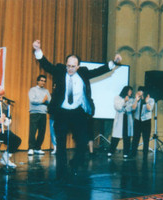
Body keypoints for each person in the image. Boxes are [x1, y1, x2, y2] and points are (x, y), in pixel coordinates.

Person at [32, 39, 122, 179]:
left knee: (82, 142)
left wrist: (114, 63)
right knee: (61, 144)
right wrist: (38, 50)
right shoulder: (60, 71)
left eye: (73, 66)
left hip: (77, 113)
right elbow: (47, 65)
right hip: (61, 113)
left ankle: (75, 163)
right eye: (68, 66)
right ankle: (61, 172)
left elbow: (100, 71)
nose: (70, 69)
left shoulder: (84, 73)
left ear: (78, 66)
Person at [108, 86, 135, 158]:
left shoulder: (131, 99)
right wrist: (124, 101)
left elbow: (130, 109)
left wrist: (128, 103)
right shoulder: (117, 98)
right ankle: (111, 151)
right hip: (120, 119)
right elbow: (118, 108)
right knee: (116, 137)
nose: (131, 92)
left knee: (127, 137)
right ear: (126, 91)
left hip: (127, 118)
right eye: (130, 91)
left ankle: (126, 153)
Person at [28, 75, 51, 156]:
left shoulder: (46, 91)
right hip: (34, 113)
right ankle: (31, 148)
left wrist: (45, 101)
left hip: (43, 113)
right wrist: (42, 101)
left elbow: (49, 101)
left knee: (42, 132)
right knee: (33, 131)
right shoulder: (33, 90)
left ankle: (38, 148)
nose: (43, 82)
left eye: (44, 81)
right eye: (41, 80)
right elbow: (32, 100)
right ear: (38, 81)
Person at [130, 86, 154, 158]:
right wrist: (136, 101)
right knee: (135, 138)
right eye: (138, 90)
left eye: (140, 91)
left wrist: (146, 102)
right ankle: (133, 153)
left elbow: (150, 109)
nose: (138, 92)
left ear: (144, 92)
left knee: (146, 138)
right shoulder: (137, 99)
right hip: (137, 121)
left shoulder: (151, 100)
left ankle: (145, 154)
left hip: (146, 121)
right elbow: (133, 108)